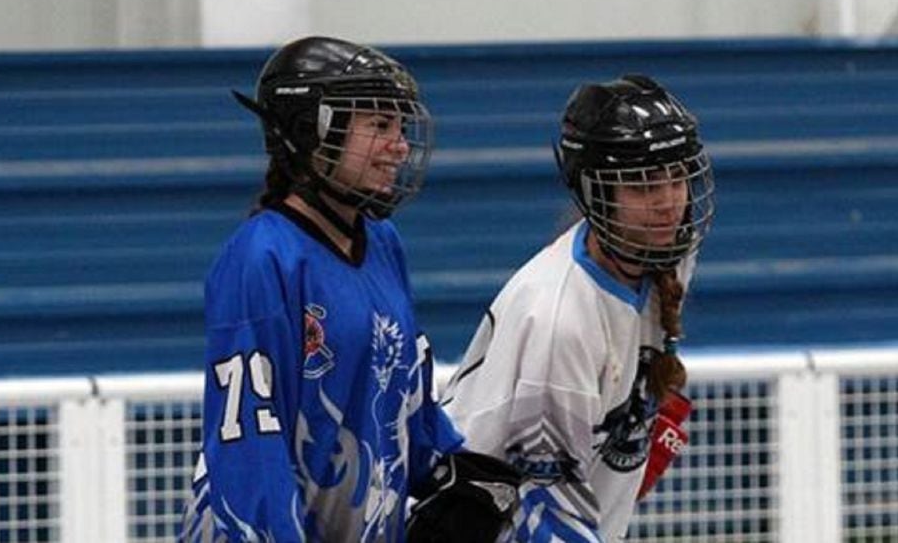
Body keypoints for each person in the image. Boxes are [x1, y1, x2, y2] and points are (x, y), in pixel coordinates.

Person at [177, 36, 468, 542]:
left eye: (400, 126)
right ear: (311, 131)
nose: (399, 145)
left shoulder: (383, 243)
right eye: (379, 125)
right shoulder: (261, 258)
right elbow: (249, 440)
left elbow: (402, 389)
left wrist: (452, 473)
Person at [441, 75, 716, 541]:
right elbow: (547, 510)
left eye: (677, 177)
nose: (669, 202)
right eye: (645, 185)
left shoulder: (665, 253)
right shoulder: (559, 321)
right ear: (597, 195)